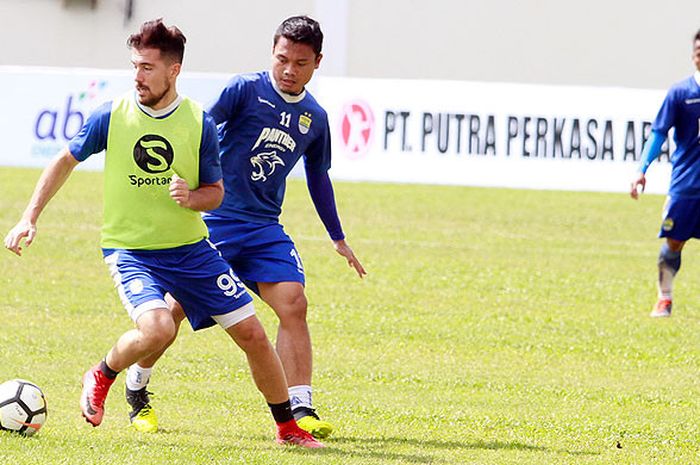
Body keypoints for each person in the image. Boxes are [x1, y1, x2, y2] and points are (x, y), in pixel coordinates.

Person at [3, 18, 323, 448]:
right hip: (132, 250)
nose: (138, 76)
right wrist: (29, 216)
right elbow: (63, 161)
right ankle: (103, 374)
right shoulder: (113, 115)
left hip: (192, 249)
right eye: (135, 66)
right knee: (158, 330)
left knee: (253, 333)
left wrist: (192, 198)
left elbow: (215, 192)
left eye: (148, 68)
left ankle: (288, 428)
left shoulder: (197, 123)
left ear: (173, 71)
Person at [127, 15, 366, 438]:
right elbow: (199, 131)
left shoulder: (315, 117)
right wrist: (184, 184)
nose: (289, 70)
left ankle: (301, 405)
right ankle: (137, 388)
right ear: (272, 53)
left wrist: (338, 236)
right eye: (282, 59)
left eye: (301, 62)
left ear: (318, 63)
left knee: (294, 303)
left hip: (263, 228)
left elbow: (318, 177)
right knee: (174, 311)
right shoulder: (244, 90)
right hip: (216, 221)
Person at [630, 29, 700, 318]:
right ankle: (665, 297)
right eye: (697, 49)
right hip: (686, 184)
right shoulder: (680, 93)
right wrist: (641, 170)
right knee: (673, 243)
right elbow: (659, 132)